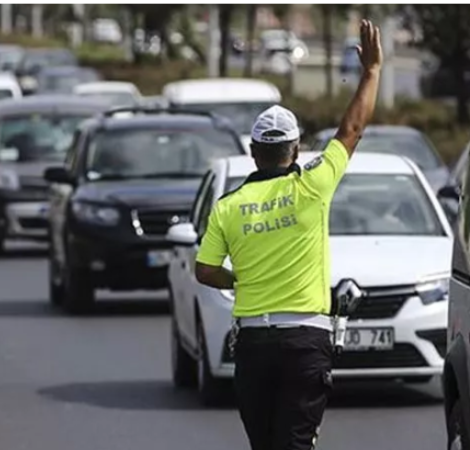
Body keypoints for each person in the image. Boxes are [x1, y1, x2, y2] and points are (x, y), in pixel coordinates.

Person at [193, 19, 384, 450]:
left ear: (252, 152)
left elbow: (205, 271)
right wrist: (371, 72)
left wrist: (241, 279)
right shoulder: (313, 186)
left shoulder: (228, 206)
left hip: (254, 345)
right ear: (296, 149)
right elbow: (351, 130)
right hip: (305, 342)